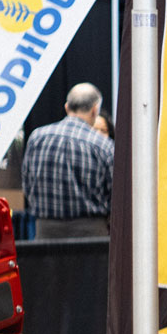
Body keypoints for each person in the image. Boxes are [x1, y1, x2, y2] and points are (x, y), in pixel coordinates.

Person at [21, 82, 115, 239]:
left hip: (45, 234)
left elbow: (27, 185)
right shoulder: (103, 145)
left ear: (67, 107)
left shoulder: (37, 137)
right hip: (92, 239)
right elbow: (115, 195)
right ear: (94, 110)